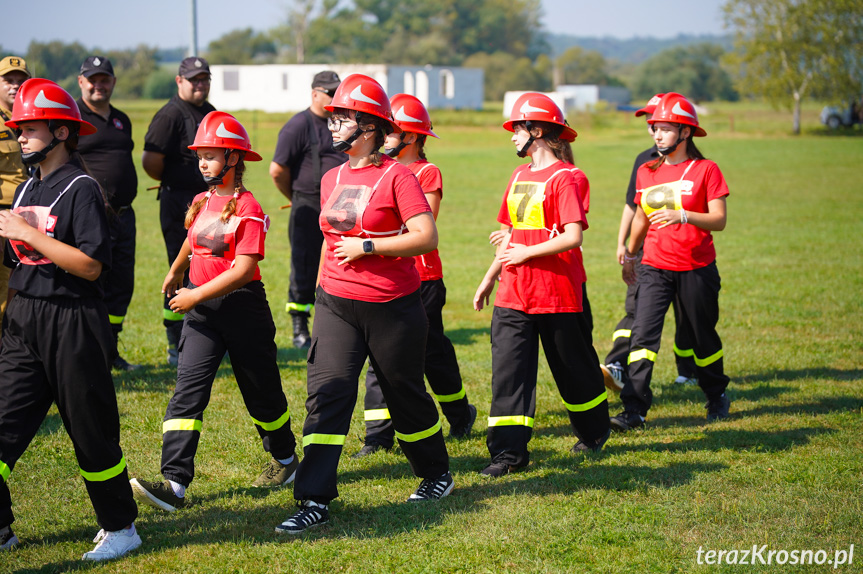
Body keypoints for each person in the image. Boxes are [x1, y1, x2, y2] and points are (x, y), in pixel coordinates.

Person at [275, 74, 453, 535]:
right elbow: (328, 238)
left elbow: (425, 236)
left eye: (343, 118)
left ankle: (436, 474)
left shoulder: (398, 176)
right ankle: (313, 498)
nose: (333, 126)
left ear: (369, 127)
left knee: (403, 393)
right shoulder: (333, 176)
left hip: (392, 305)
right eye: (333, 117)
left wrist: (369, 247)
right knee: (328, 393)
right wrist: (318, 291)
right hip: (335, 304)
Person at [0, 79, 141, 560]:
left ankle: (120, 527)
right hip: (23, 316)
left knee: (89, 428)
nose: (20, 137)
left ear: (61, 131)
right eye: (18, 129)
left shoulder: (81, 187)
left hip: (72, 320)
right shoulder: (25, 188)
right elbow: (13, 256)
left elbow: (90, 265)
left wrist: (25, 232)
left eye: (31, 128)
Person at [129, 111, 299, 511]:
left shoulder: (250, 207)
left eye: (211, 155)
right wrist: (175, 271)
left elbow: (243, 270)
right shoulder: (202, 200)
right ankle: (174, 484)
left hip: (243, 309)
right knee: (187, 393)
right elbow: (193, 240)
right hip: (202, 312)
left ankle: (286, 460)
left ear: (234, 159)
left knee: (263, 396)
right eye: (199, 155)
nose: (202, 163)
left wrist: (195, 294)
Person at [473, 92, 610, 477]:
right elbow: (508, 235)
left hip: (559, 293)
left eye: (517, 127)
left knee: (575, 371)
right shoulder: (518, 176)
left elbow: (572, 237)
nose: (512, 135)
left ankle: (594, 432)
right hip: (514, 293)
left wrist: (524, 254)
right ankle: (507, 455)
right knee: (509, 376)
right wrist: (489, 278)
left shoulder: (568, 177)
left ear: (536, 129)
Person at [354, 93, 476, 458]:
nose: (386, 138)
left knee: (432, 354)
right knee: (382, 354)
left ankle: (458, 413)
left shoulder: (427, 172)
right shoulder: (379, 171)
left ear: (412, 137)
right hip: (385, 278)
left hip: (422, 280)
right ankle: (378, 436)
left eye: (393, 132)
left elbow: (422, 227)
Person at [613, 92, 730, 431]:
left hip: (696, 268)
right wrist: (630, 255)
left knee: (701, 336)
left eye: (665, 129)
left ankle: (716, 393)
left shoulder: (706, 169)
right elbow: (640, 218)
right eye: (654, 129)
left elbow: (719, 219)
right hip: (654, 267)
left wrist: (683, 215)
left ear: (685, 132)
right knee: (643, 339)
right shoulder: (647, 171)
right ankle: (633, 409)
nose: (657, 135)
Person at [602, 93, 698, 392]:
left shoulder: (694, 164)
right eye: (649, 122)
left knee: (687, 316)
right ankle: (617, 366)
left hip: (685, 255)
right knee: (636, 310)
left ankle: (690, 370)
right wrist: (623, 243)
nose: (651, 127)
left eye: (656, 120)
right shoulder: (644, 160)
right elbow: (634, 206)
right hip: (646, 251)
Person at [143, 56, 216, 366]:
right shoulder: (169, 115)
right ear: (179, 81)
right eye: (194, 79)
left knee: (209, 265)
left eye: (204, 79)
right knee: (181, 266)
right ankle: (175, 336)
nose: (200, 84)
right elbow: (150, 161)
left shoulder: (211, 113)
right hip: (180, 203)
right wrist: (177, 182)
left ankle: (207, 332)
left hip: (211, 202)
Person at [270, 71, 344, 349]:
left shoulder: (343, 121)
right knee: (304, 263)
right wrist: (296, 198)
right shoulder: (297, 126)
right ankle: (300, 326)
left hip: (342, 205)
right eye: (331, 93)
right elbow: (277, 171)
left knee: (339, 262)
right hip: (308, 203)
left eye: (339, 92)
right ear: (315, 94)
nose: (336, 97)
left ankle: (336, 321)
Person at [76, 56, 140, 371]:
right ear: (81, 82)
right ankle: (89, 353)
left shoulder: (121, 119)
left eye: (104, 79)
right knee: (92, 283)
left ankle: (110, 349)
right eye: (93, 80)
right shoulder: (71, 117)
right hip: (91, 216)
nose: (98, 85)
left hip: (125, 216)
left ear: (113, 82)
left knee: (121, 284)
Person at [0, 55, 30, 337]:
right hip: (2, 217)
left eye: (21, 82)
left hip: (28, 218)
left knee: (21, 288)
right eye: (8, 80)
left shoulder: (28, 121)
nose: (15, 86)